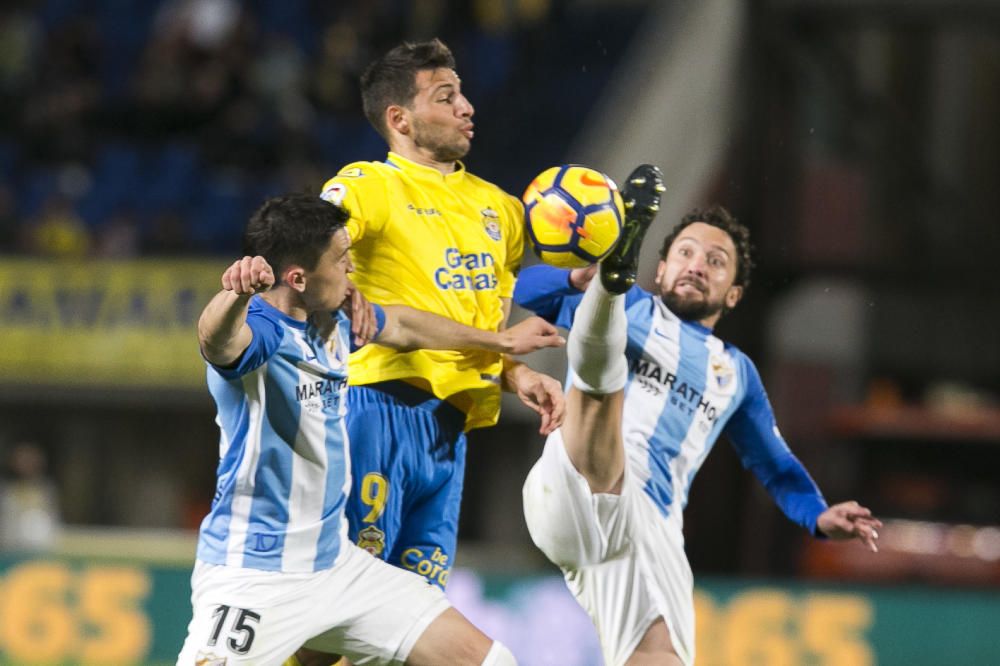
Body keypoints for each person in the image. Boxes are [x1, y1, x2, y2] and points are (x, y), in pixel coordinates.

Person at [513, 165, 882, 666]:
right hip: (580, 479)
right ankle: (613, 269)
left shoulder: (736, 374)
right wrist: (580, 278)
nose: (697, 264)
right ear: (660, 268)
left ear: (733, 294)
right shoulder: (638, 307)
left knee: (660, 655)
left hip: (650, 528)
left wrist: (817, 514)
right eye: (685, 252)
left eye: (716, 260)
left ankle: (616, 266)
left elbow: (773, 462)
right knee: (604, 357)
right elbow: (524, 288)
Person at [177, 193, 564, 665]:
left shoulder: (334, 321)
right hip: (257, 576)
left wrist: (501, 344)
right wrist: (235, 294)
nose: (351, 271)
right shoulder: (264, 335)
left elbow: (403, 325)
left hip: (338, 566)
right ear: (298, 278)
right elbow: (215, 339)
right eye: (341, 261)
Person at [315, 39, 562, 590]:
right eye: (446, 96)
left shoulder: (502, 209)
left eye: (463, 93)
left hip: (450, 429)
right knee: (342, 606)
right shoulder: (369, 184)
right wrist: (339, 286)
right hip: (375, 407)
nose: (466, 107)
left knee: (412, 615)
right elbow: (314, 248)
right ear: (399, 118)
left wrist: (517, 374)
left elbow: (487, 326)